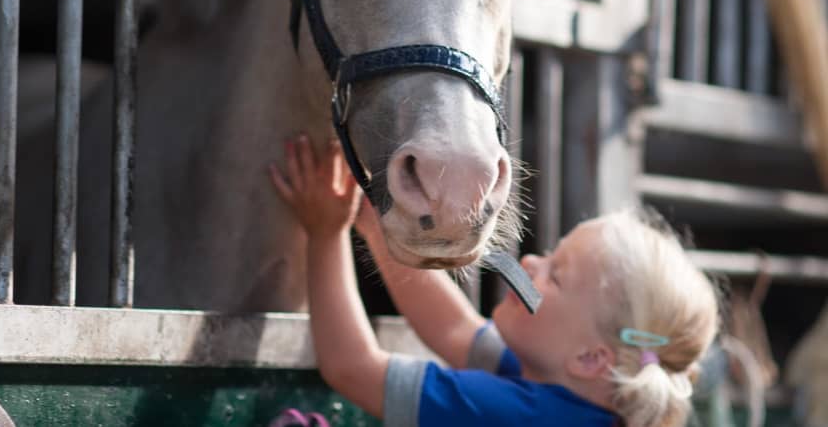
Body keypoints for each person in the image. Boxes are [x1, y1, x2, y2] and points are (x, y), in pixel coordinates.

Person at [269, 134, 720, 427]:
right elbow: (454, 329)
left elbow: (352, 368)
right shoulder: (570, 392)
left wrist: (325, 233)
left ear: (589, 357)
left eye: (556, 275)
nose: (529, 261)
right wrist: (375, 227)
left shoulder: (515, 414)